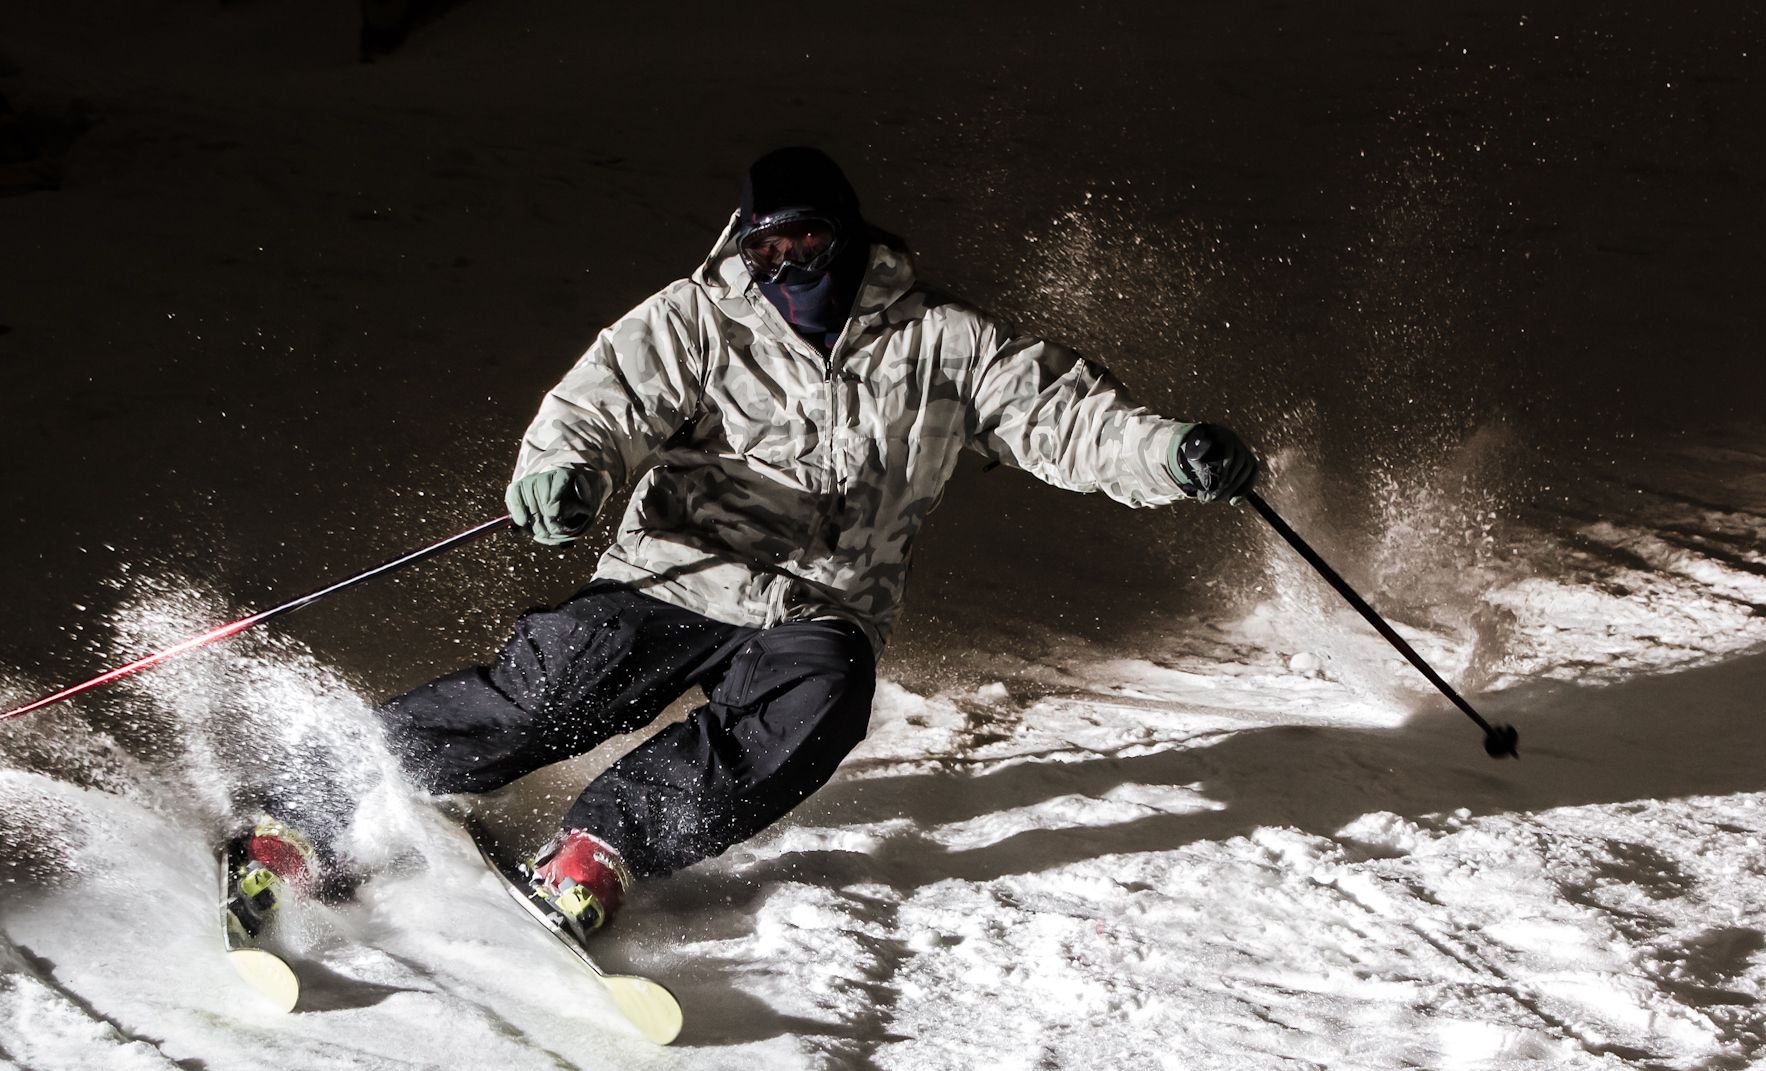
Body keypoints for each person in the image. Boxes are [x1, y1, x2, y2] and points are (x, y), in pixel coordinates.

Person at [225, 146, 1258, 946]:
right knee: (558, 686)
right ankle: (305, 805)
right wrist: (565, 472)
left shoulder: (946, 343)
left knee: (820, 701)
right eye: (765, 248)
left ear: (846, 240)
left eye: (805, 244)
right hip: (678, 569)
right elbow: (603, 401)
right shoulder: (697, 319)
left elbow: (1065, 418)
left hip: (821, 603)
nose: (785, 267)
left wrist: (1170, 452)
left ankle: (600, 851)